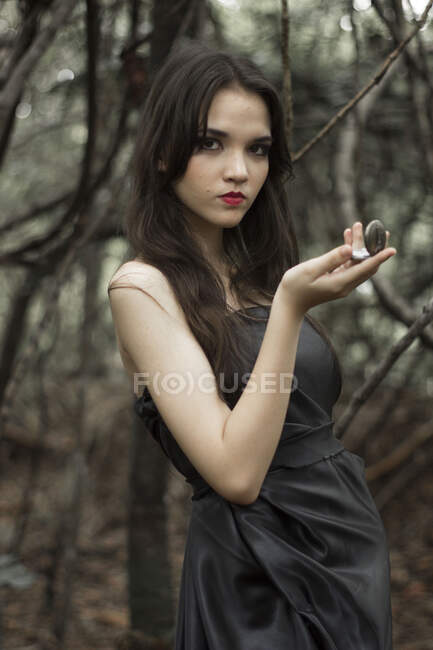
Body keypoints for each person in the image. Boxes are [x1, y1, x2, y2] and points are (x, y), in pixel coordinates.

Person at [107, 40, 396, 650]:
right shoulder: (142, 287)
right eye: (211, 143)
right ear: (163, 153)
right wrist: (292, 307)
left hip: (344, 552)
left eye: (257, 149)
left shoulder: (255, 279)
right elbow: (237, 473)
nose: (239, 170)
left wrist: (287, 296)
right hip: (255, 572)